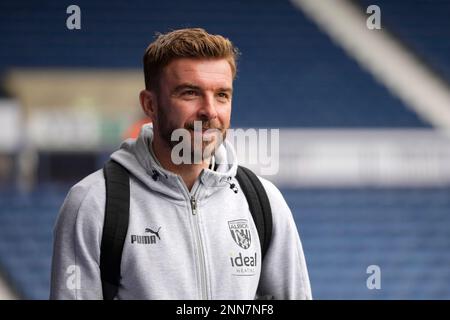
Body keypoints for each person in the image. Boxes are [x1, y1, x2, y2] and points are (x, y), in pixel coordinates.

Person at [50, 28, 312, 300]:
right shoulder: (94, 204)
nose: (210, 111)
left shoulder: (264, 201)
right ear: (150, 105)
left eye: (222, 95)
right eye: (190, 93)